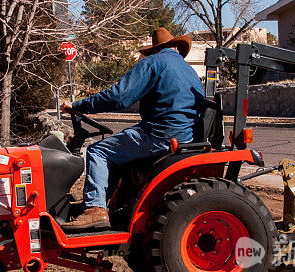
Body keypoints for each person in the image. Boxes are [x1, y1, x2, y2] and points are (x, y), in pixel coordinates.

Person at [61, 28, 205, 231]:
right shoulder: (190, 71)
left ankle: (95, 210)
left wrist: (78, 106)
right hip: (183, 135)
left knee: (98, 151)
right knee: (118, 150)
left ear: (155, 50)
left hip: (160, 134)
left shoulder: (153, 63)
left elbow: (119, 97)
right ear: (176, 47)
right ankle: (104, 206)